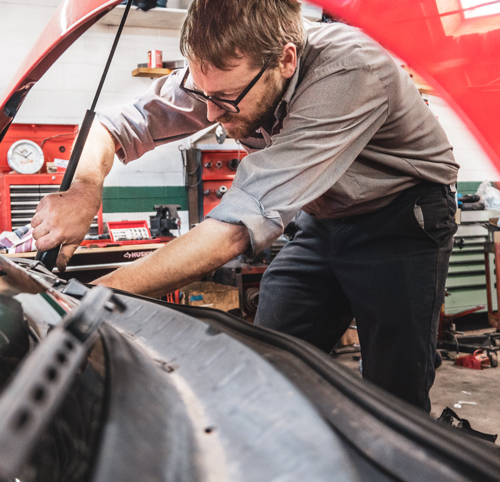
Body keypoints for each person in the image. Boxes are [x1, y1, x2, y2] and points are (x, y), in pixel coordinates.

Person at [30, 0, 458, 411]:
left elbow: (234, 229)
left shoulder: (352, 70)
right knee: (268, 359)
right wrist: (84, 189)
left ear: (286, 60)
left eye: (226, 98)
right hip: (324, 216)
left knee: (392, 392)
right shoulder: (226, 75)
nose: (211, 113)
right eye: (204, 94)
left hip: (402, 217)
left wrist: (93, 297)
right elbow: (115, 124)